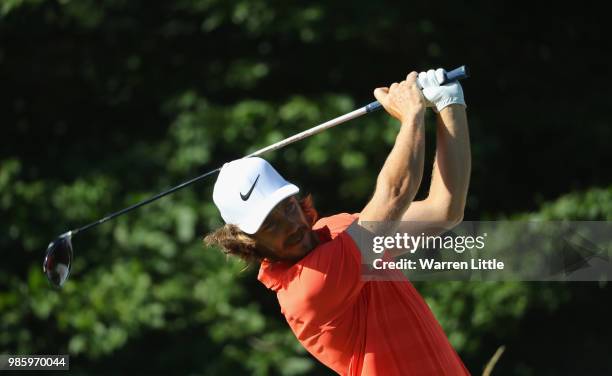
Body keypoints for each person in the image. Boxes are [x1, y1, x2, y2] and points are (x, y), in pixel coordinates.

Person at [205, 69, 471, 375]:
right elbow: (394, 196)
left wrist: (449, 102)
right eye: (270, 225)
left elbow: (444, 211)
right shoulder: (308, 288)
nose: (290, 225)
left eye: (288, 208)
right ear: (247, 243)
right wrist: (411, 114)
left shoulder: (338, 230)